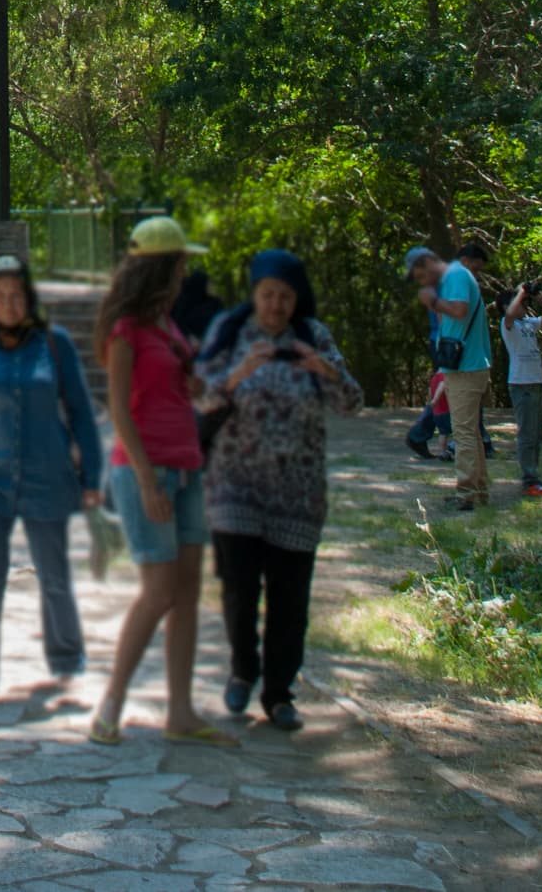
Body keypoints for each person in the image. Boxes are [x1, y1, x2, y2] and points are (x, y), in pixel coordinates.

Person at [196, 250, 364, 732]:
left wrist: (325, 369)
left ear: (297, 300)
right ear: (253, 294)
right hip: (235, 487)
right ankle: (242, 669)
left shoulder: (314, 336)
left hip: (299, 493)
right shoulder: (230, 332)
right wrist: (238, 373)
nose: (275, 305)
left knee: (290, 601)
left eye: (285, 297)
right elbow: (203, 399)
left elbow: (352, 403)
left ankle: (279, 693)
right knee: (240, 590)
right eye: (268, 295)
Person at [0, 254, 105, 706]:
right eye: (1, 296)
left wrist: (92, 472)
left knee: (54, 574)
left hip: (48, 478)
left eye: (17, 295)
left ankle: (68, 657)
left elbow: (82, 411)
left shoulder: (55, 344)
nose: (10, 303)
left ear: (30, 298)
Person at [89, 215, 230, 746]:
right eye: (179, 263)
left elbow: (170, 393)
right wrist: (148, 481)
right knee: (158, 591)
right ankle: (111, 706)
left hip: (189, 466)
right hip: (144, 471)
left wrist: (191, 384)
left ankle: (181, 711)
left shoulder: (168, 325)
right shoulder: (124, 329)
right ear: (160, 267)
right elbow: (121, 411)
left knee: (188, 592)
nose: (184, 272)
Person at [405, 240, 493, 510]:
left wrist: (433, 301)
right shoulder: (457, 275)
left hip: (466, 367)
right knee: (471, 433)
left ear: (426, 264)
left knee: (464, 433)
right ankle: (478, 490)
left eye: (420, 275)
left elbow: (459, 310)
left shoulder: (454, 275)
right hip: (466, 366)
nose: (422, 281)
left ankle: (466, 493)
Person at [502, 278, 542, 498]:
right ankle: (529, 480)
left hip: (535, 382)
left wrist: (541, 298)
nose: (523, 306)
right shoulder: (508, 325)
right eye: (519, 303)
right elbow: (509, 314)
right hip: (521, 384)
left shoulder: (529, 323)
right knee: (527, 435)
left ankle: (533, 478)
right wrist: (522, 293)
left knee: (537, 435)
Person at [172, 266, 224, 347]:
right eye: (208, 283)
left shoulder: (215, 303)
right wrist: (189, 337)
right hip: (190, 344)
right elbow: (179, 322)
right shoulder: (185, 302)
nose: (211, 286)